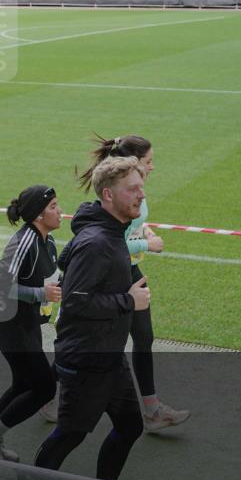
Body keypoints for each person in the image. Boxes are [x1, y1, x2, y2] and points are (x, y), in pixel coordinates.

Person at [34, 156, 151, 480]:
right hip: (86, 361)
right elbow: (75, 302)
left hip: (110, 357)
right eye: (132, 189)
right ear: (109, 196)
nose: (141, 195)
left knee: (129, 426)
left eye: (141, 187)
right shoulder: (97, 242)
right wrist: (129, 300)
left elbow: (67, 260)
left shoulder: (110, 231)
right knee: (70, 434)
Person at [91, 134, 189, 432]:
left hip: (130, 271)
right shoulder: (118, 191)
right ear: (134, 162)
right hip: (113, 274)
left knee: (143, 337)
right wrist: (148, 245)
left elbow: (130, 225)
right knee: (99, 342)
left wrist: (144, 230)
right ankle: (48, 391)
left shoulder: (134, 191)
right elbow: (110, 242)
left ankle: (152, 410)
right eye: (149, 161)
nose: (153, 167)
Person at [0, 185, 62, 462]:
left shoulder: (48, 243)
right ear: (37, 215)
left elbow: (46, 282)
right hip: (8, 324)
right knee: (44, 387)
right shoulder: (24, 241)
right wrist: (39, 295)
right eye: (54, 207)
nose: (60, 212)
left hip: (27, 323)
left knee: (23, 384)